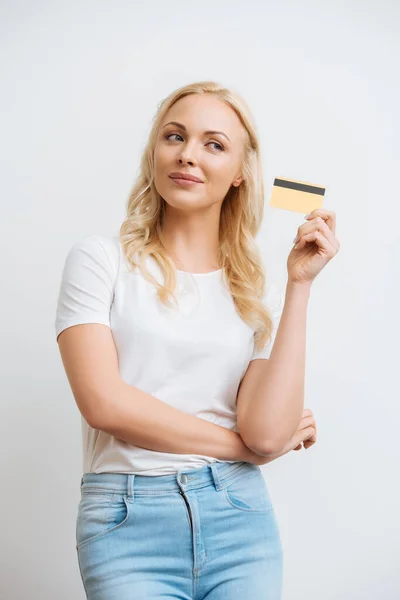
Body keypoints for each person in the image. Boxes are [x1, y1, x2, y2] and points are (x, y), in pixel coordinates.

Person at [55, 80, 337, 599]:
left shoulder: (258, 290)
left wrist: (299, 284)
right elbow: (103, 403)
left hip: (238, 519)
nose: (188, 155)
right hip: (125, 518)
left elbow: (267, 433)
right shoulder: (100, 261)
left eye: (214, 144)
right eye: (174, 136)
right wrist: (240, 449)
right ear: (154, 153)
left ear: (238, 175)